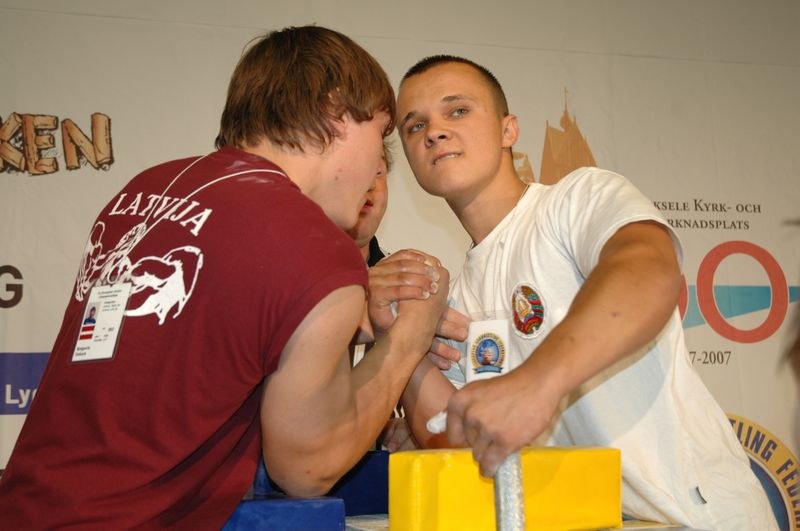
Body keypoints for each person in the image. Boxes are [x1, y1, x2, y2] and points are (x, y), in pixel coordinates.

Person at [0, 27, 451, 529]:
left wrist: (347, 323)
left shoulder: (147, 190)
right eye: (380, 133)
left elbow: (195, 353)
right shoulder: (314, 245)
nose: (377, 165)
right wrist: (409, 337)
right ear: (336, 112)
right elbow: (308, 467)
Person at [394, 55, 777, 529]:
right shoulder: (457, 300)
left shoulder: (576, 199)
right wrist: (401, 338)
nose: (434, 132)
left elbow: (649, 268)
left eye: (457, 111)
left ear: (508, 129)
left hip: (696, 516)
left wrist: (538, 382)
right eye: (415, 125)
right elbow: (456, 444)